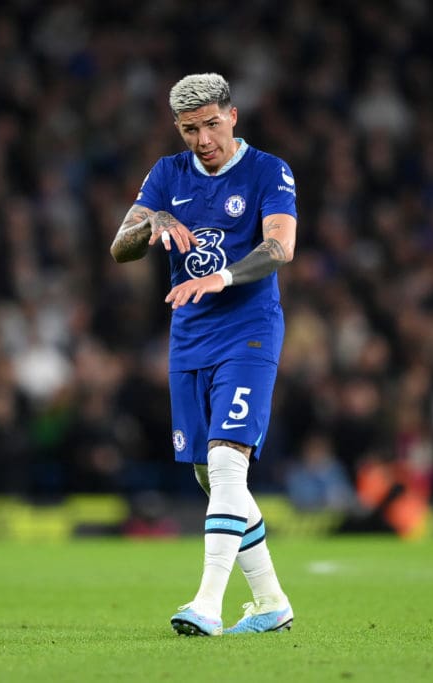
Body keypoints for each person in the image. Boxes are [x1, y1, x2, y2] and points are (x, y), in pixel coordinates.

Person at [110, 73, 297, 636]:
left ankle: (207, 604)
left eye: (212, 124)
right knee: (210, 476)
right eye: (191, 128)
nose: (203, 138)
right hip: (189, 336)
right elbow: (120, 248)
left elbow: (280, 246)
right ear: (178, 128)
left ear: (233, 116)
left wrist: (224, 277)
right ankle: (270, 603)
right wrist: (156, 220)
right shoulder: (167, 174)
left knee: (225, 460)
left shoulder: (270, 170)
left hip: (249, 331)